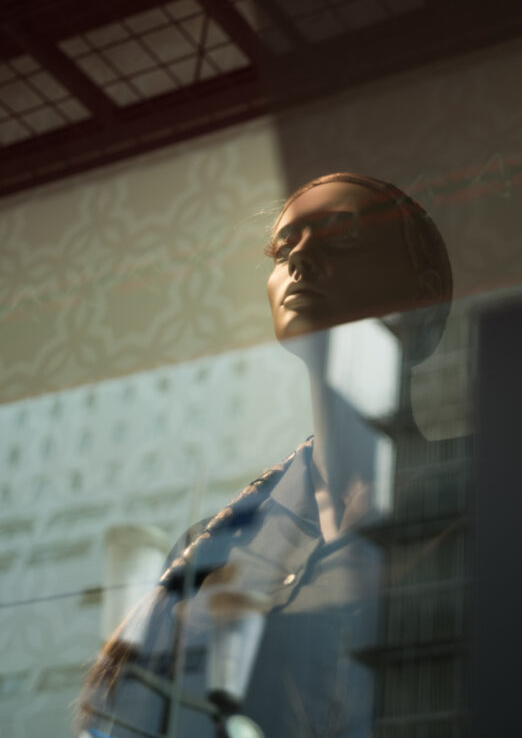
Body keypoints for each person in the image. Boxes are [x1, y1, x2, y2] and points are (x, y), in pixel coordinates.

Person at [78, 172, 454, 738]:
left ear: (422, 295)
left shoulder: (483, 495)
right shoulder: (216, 547)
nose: (299, 258)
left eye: (342, 235)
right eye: (283, 249)